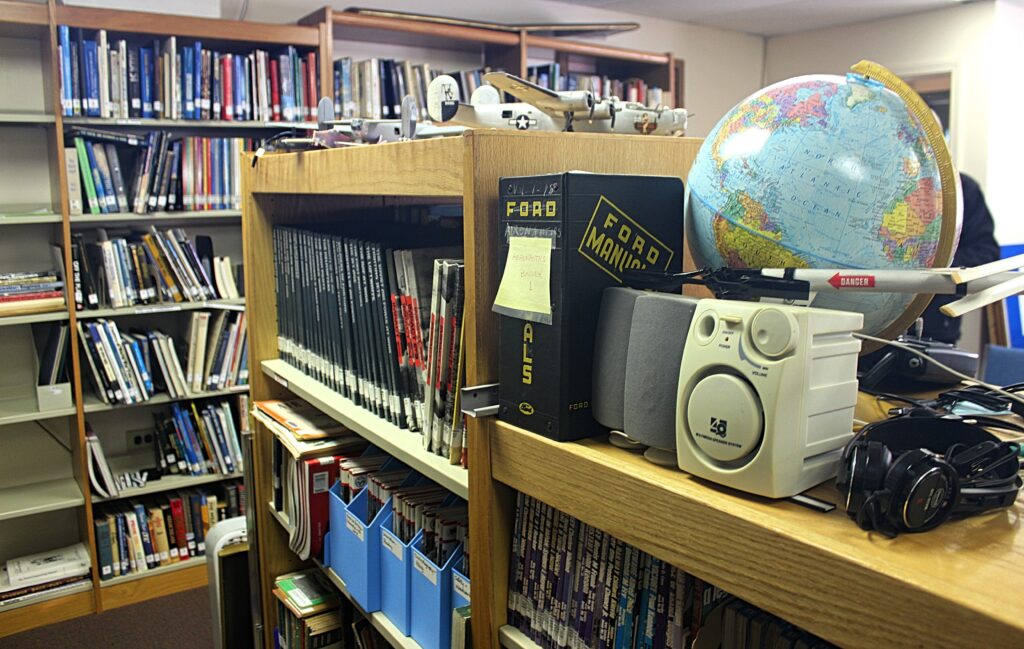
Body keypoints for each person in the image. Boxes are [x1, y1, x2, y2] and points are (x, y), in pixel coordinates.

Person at [921, 172, 1000, 343]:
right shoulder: (880, 180)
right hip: (872, 325)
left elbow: (986, 253)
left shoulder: (963, 188)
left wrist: (939, 262)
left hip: (935, 330)